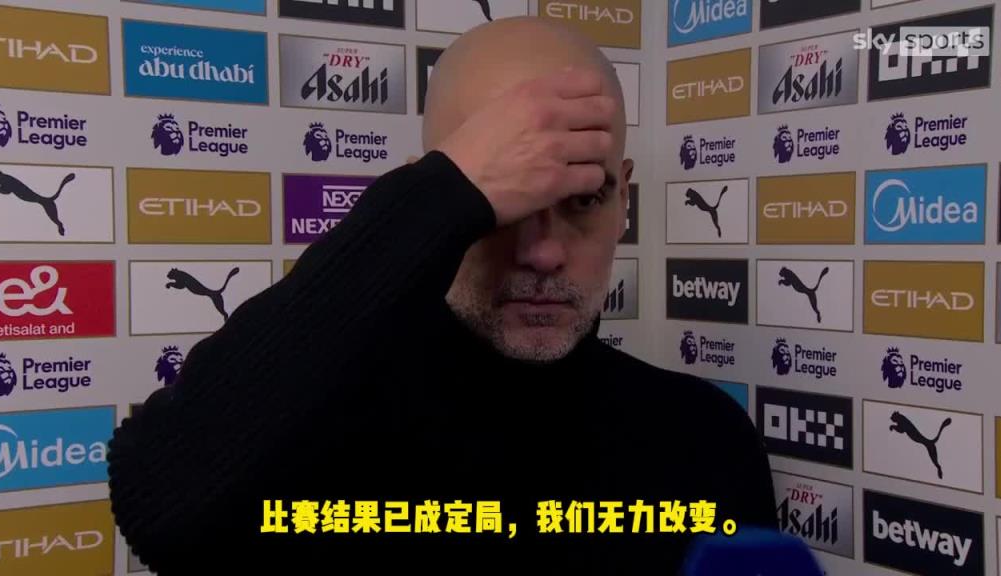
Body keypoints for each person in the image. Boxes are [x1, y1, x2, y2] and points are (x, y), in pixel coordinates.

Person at [107, 16, 776, 575]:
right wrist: (437, 199)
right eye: (503, 200)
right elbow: (158, 503)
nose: (543, 253)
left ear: (622, 196)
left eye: (582, 200)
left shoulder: (702, 439)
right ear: (436, 202)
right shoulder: (318, 432)